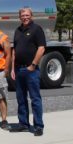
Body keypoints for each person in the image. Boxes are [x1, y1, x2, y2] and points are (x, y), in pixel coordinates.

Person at [9, 7, 46, 136]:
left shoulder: (36, 29)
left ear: (32, 16)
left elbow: (41, 48)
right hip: (19, 70)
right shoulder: (17, 31)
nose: (25, 17)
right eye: (23, 15)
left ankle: (38, 126)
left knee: (35, 98)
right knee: (21, 99)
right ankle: (23, 124)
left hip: (31, 70)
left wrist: (33, 65)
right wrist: (13, 68)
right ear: (19, 17)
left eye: (27, 15)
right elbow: (15, 50)